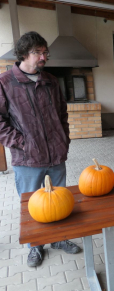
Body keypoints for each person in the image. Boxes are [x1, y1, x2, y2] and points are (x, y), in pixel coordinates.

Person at [0, 31, 81, 267]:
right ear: (24, 53)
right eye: (38, 52)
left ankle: (58, 239)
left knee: (59, 202)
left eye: (45, 52)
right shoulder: (5, 83)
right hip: (27, 159)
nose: (44, 56)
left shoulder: (51, 80)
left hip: (56, 155)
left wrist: (63, 138)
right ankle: (35, 246)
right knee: (32, 206)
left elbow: (62, 113)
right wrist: (22, 142)